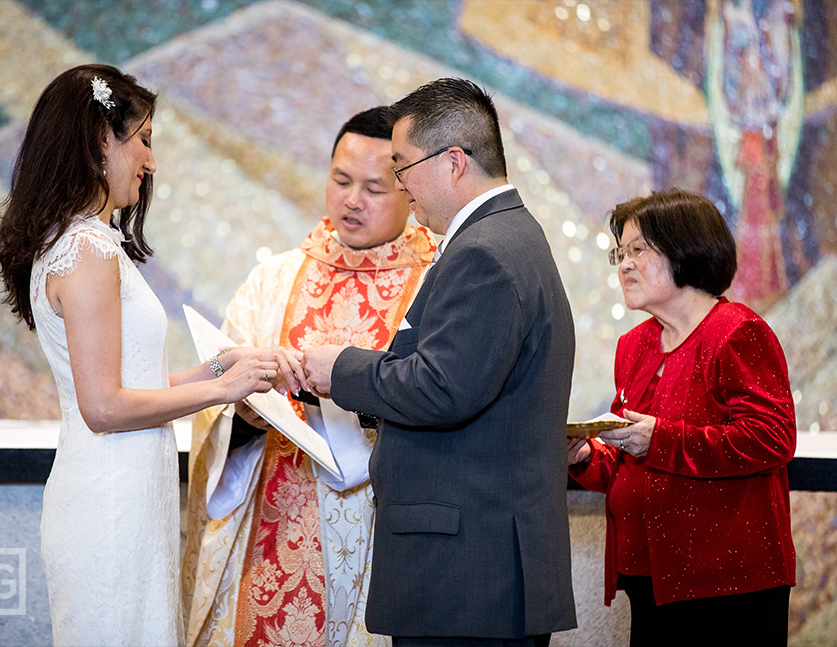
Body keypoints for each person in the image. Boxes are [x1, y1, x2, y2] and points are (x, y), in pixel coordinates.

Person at [0, 64, 301, 646]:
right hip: (110, 505)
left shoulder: (87, 239)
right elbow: (104, 407)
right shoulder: (84, 247)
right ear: (97, 140)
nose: (151, 161)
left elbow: (136, 382)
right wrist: (220, 390)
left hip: (130, 494)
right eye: (145, 140)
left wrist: (221, 365)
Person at [303, 78, 577, 646]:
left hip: (468, 573)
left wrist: (342, 370)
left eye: (401, 168)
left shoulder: (484, 251)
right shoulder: (505, 234)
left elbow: (441, 389)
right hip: (477, 564)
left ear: (453, 161)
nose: (402, 188)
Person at [181, 106, 436, 647]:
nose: (351, 199)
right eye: (341, 180)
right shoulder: (272, 281)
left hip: (377, 534)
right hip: (271, 524)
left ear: (410, 195)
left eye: (374, 188)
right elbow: (215, 402)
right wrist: (243, 417)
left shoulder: (437, 284)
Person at [567, 188, 797, 647]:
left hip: (726, 583)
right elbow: (623, 461)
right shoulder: (634, 346)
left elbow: (772, 438)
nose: (624, 264)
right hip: (648, 573)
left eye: (638, 250)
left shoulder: (738, 332)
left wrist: (661, 440)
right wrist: (579, 456)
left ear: (688, 250)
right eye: (620, 253)